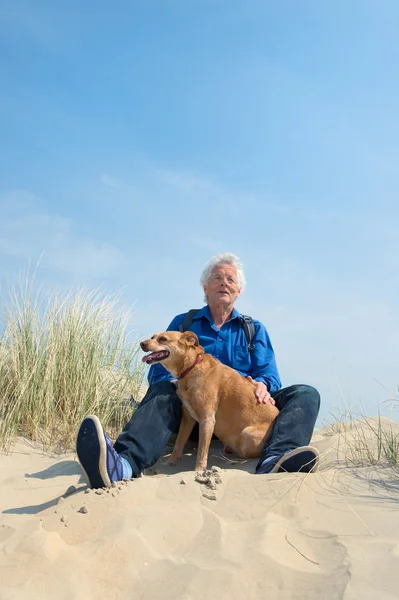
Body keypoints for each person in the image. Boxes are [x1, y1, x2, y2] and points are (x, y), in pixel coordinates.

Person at [76, 253, 320, 489]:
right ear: (205, 287)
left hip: (239, 417)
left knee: (306, 394)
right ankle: (124, 465)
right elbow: (158, 369)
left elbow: (269, 374)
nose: (224, 283)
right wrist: (180, 385)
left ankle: (274, 459)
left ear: (239, 290)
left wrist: (263, 385)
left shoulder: (253, 329)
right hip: (191, 412)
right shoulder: (184, 325)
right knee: (162, 390)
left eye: (230, 279)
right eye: (216, 278)